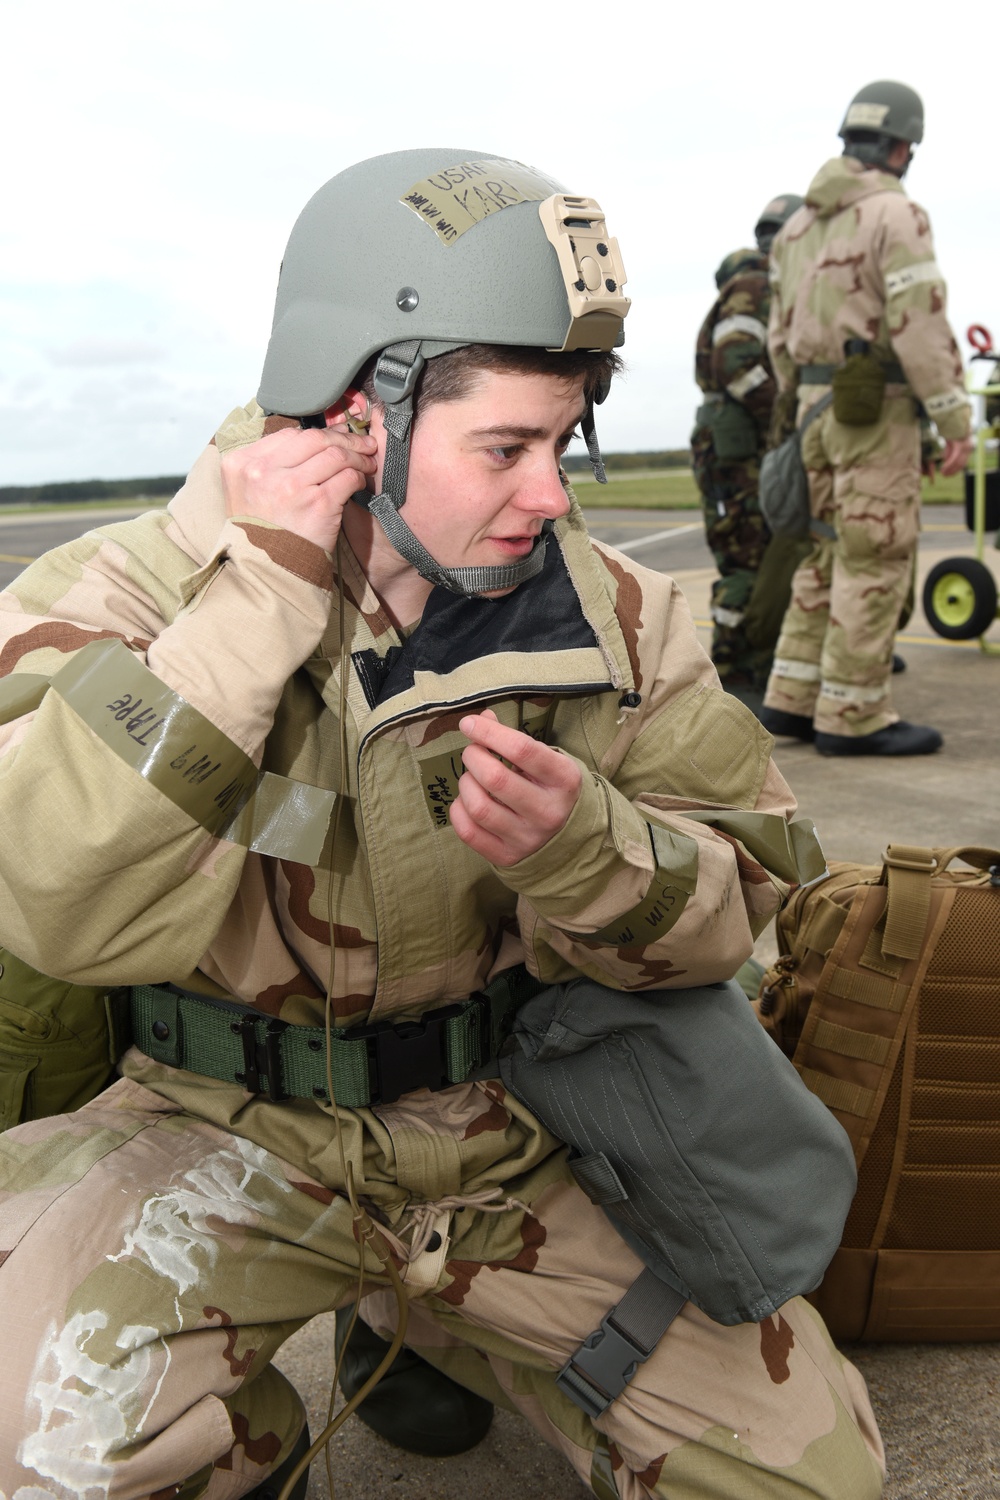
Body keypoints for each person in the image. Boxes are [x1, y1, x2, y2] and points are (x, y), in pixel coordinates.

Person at [0, 148, 885, 1500]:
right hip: (223, 1128)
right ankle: (239, 1446)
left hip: (507, 1131)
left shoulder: (614, 619)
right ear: (363, 421)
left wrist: (595, 855)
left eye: (566, 436)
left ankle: (437, 1323)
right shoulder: (116, 600)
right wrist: (250, 619)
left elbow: (749, 888)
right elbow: (56, 895)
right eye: (507, 447)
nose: (553, 494)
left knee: (806, 1478)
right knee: (30, 1445)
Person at [759, 81, 974, 756]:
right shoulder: (895, 214)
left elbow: (777, 337)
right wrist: (954, 418)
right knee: (875, 556)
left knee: (824, 551)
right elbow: (919, 324)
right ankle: (853, 717)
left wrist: (799, 411)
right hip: (873, 410)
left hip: (814, 411)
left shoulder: (795, 227)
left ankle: (791, 700)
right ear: (903, 147)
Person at [690, 193, 802, 696]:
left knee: (761, 555)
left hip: (745, 445)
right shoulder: (757, 284)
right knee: (744, 559)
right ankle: (733, 675)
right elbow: (736, 362)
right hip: (736, 449)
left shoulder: (765, 285)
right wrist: (786, 415)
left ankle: (758, 661)